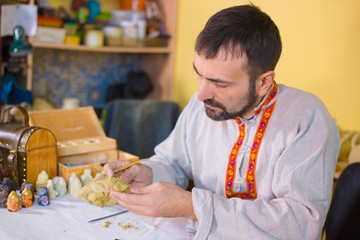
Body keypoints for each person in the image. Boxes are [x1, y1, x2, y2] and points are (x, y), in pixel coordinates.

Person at [105, 4, 340, 239]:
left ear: (263, 82)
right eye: (199, 73)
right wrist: (149, 172)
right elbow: (173, 162)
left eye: (220, 83)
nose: (201, 94)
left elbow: (300, 224)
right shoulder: (203, 106)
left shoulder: (306, 117)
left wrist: (191, 205)